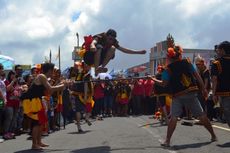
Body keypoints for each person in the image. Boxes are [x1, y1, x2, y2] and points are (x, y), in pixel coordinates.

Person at [151, 36, 217, 147]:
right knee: (201, 115)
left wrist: (152, 79)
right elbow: (197, 77)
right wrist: (204, 89)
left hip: (178, 95)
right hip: (191, 93)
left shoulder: (168, 69)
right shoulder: (187, 63)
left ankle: (167, 141)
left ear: (170, 57)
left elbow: (164, 83)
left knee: (174, 117)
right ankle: (213, 135)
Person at [21, 63, 66, 150]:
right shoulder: (42, 76)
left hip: (37, 101)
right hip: (32, 101)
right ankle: (34, 144)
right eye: (53, 71)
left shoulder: (44, 77)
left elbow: (49, 91)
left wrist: (62, 85)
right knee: (36, 123)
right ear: (49, 70)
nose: (53, 73)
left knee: (41, 122)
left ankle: (39, 142)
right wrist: (63, 86)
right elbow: (51, 89)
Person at [82, 29, 146, 74]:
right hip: (89, 57)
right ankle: (96, 70)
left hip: (99, 60)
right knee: (99, 47)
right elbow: (94, 42)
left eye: (112, 40)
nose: (111, 41)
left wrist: (138, 52)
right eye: (109, 39)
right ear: (106, 36)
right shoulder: (101, 36)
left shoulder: (113, 42)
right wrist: (93, 46)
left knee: (112, 48)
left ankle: (101, 68)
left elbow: (124, 50)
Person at [211, 41, 230, 127]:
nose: (217, 52)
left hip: (225, 93)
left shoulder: (217, 63)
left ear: (222, 50)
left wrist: (214, 94)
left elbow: (214, 79)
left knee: (228, 114)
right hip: (224, 93)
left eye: (218, 50)